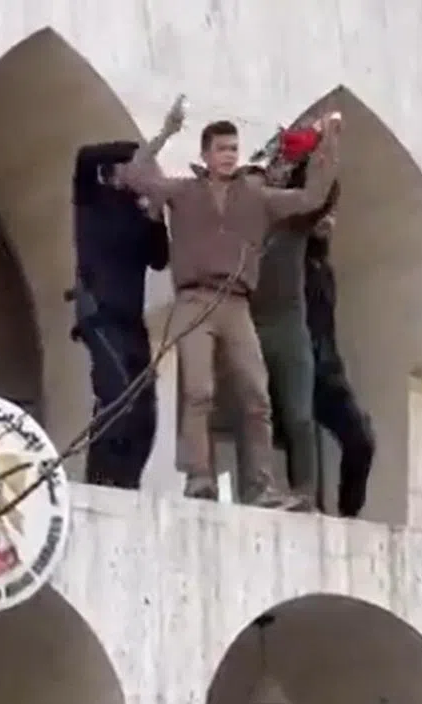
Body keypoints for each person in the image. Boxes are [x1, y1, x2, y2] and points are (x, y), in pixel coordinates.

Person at [117, 97, 341, 508]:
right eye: (221, 149)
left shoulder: (256, 196)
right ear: (205, 154)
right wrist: (166, 133)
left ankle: (260, 486)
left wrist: (328, 146)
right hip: (194, 300)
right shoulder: (183, 191)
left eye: (233, 149)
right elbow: (133, 175)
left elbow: (312, 197)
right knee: (199, 390)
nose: (228, 156)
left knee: (256, 393)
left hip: (237, 303)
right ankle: (198, 478)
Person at [240, 125, 340, 506]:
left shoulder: (294, 215)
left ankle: (305, 494)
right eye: (273, 166)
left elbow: (324, 197)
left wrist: (323, 147)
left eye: (284, 166)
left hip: (287, 325)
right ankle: (256, 487)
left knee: (300, 414)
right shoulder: (245, 214)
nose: (277, 172)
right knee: (251, 409)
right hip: (247, 322)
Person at [70, 140, 169, 489]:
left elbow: (160, 258)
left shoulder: (138, 212)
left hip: (131, 321)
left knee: (145, 411)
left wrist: (156, 214)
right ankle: (99, 479)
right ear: (115, 170)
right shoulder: (90, 199)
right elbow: (84, 156)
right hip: (99, 314)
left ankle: (128, 482)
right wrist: (140, 149)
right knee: (117, 395)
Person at [304, 208, 376, 518]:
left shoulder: (324, 269)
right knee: (300, 437)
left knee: (361, 440)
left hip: (328, 370)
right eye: (321, 215)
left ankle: (349, 513)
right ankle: (306, 502)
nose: (328, 222)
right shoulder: (288, 261)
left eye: (332, 216)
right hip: (293, 366)